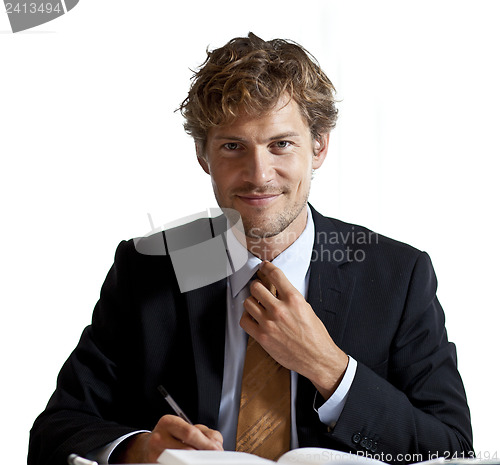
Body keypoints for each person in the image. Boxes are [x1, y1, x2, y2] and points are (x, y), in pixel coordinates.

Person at [28, 33, 473, 465]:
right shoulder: (150, 266)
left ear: (318, 147)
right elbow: (55, 431)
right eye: (233, 147)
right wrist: (139, 450)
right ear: (204, 156)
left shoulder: (397, 274)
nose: (258, 175)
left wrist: (329, 369)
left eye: (281, 144)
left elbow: (452, 450)